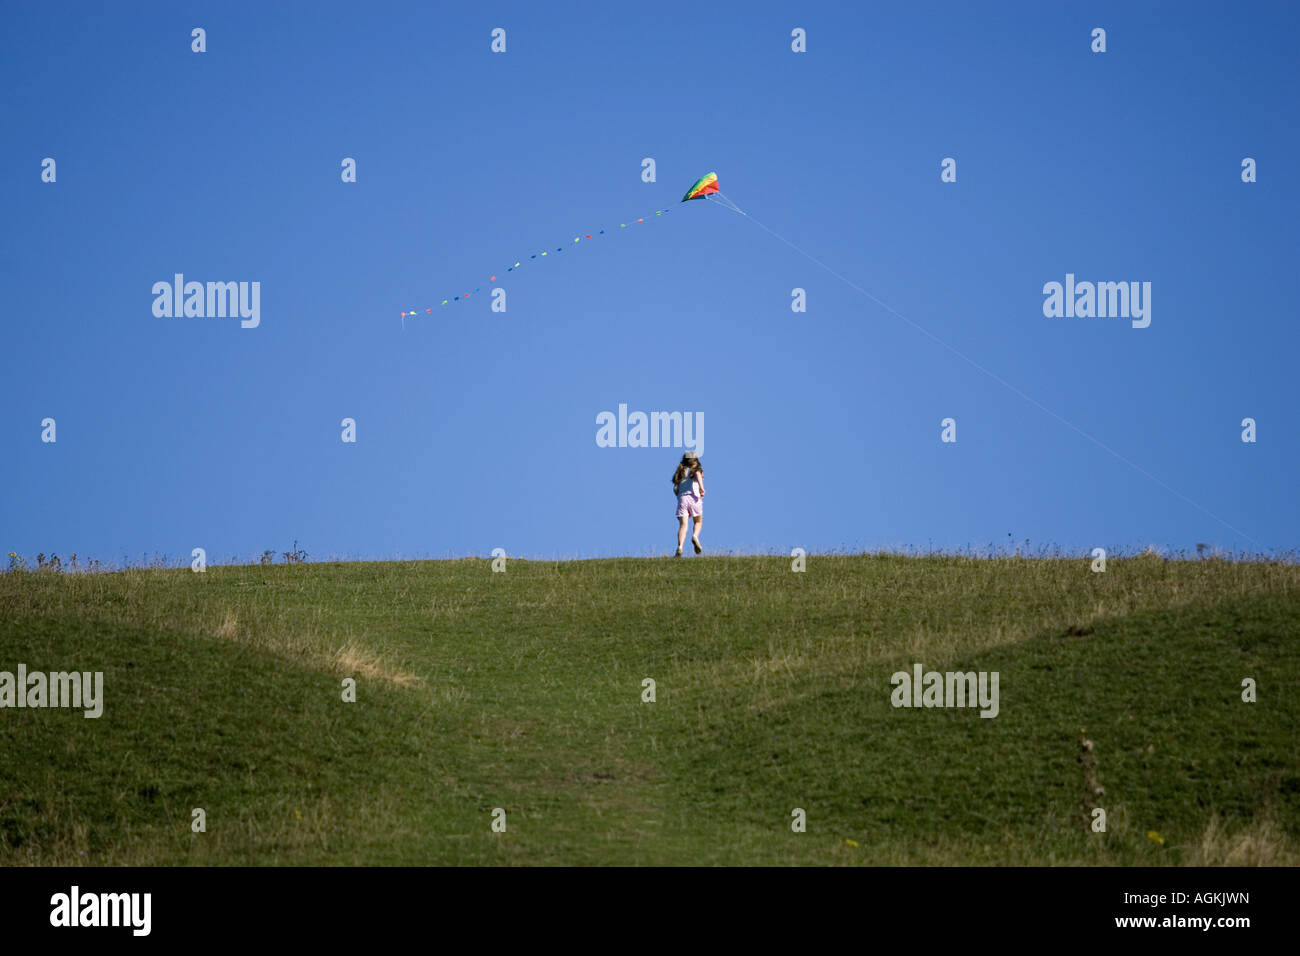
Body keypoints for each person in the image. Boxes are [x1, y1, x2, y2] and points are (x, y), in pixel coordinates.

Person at [672, 451, 705, 556]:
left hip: (682, 499)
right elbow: (698, 474)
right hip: (694, 498)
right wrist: (701, 487)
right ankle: (695, 536)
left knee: (683, 525)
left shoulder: (679, 473)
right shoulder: (695, 470)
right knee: (698, 522)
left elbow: (675, 489)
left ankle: (680, 547)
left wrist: (679, 496)